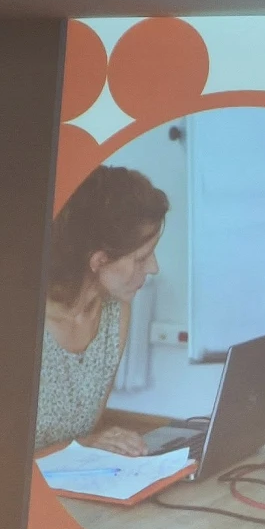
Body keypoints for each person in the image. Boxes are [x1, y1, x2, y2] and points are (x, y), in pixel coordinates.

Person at [34, 165, 168, 454]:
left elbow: (87, 431)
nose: (154, 268)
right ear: (98, 261)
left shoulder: (117, 313)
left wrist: (92, 445)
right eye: (142, 258)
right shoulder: (19, 324)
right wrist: (83, 446)